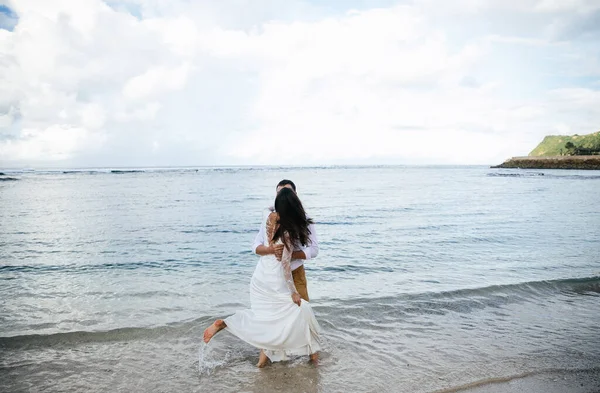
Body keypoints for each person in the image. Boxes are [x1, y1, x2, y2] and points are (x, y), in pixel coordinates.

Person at [203, 188, 321, 367]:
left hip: (260, 278)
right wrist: (294, 292)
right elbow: (285, 266)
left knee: (266, 320)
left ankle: (260, 363)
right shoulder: (287, 232)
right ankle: (314, 360)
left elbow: (263, 246)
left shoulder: (270, 219)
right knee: (301, 311)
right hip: (275, 280)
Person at [253, 180, 319, 301]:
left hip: (294, 272)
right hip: (271, 276)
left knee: (300, 309)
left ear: (295, 195)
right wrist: (270, 249)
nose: (284, 196)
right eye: (280, 193)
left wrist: (290, 255)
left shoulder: (304, 219)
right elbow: (256, 247)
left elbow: (314, 250)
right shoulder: (270, 218)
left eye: (287, 192)